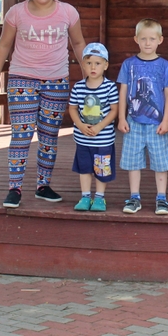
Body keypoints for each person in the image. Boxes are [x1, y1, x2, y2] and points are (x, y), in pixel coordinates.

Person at [0, 0, 87, 209]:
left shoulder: (68, 12)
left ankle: (43, 186)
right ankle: (14, 188)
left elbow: (78, 43)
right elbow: (4, 44)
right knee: (21, 135)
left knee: (48, 136)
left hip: (56, 81)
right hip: (21, 78)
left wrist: (88, 74)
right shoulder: (16, 12)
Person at [116, 18, 168, 215]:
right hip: (133, 122)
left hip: (157, 124)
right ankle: (134, 197)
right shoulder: (129, 64)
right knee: (133, 161)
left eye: (152, 39)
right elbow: (123, 91)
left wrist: (166, 120)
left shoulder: (164, 65)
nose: (147, 43)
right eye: (143, 39)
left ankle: (162, 198)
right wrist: (122, 118)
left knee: (160, 162)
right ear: (136, 39)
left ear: (160, 40)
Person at [69, 43, 120, 212]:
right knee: (84, 168)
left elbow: (114, 110)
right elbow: (73, 108)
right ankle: (85, 197)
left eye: (97, 63)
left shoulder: (109, 87)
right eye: (89, 63)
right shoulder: (78, 87)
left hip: (103, 139)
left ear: (105, 65)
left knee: (101, 169)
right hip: (83, 138)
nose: (93, 67)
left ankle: (99, 197)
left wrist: (99, 127)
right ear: (83, 65)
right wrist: (80, 125)